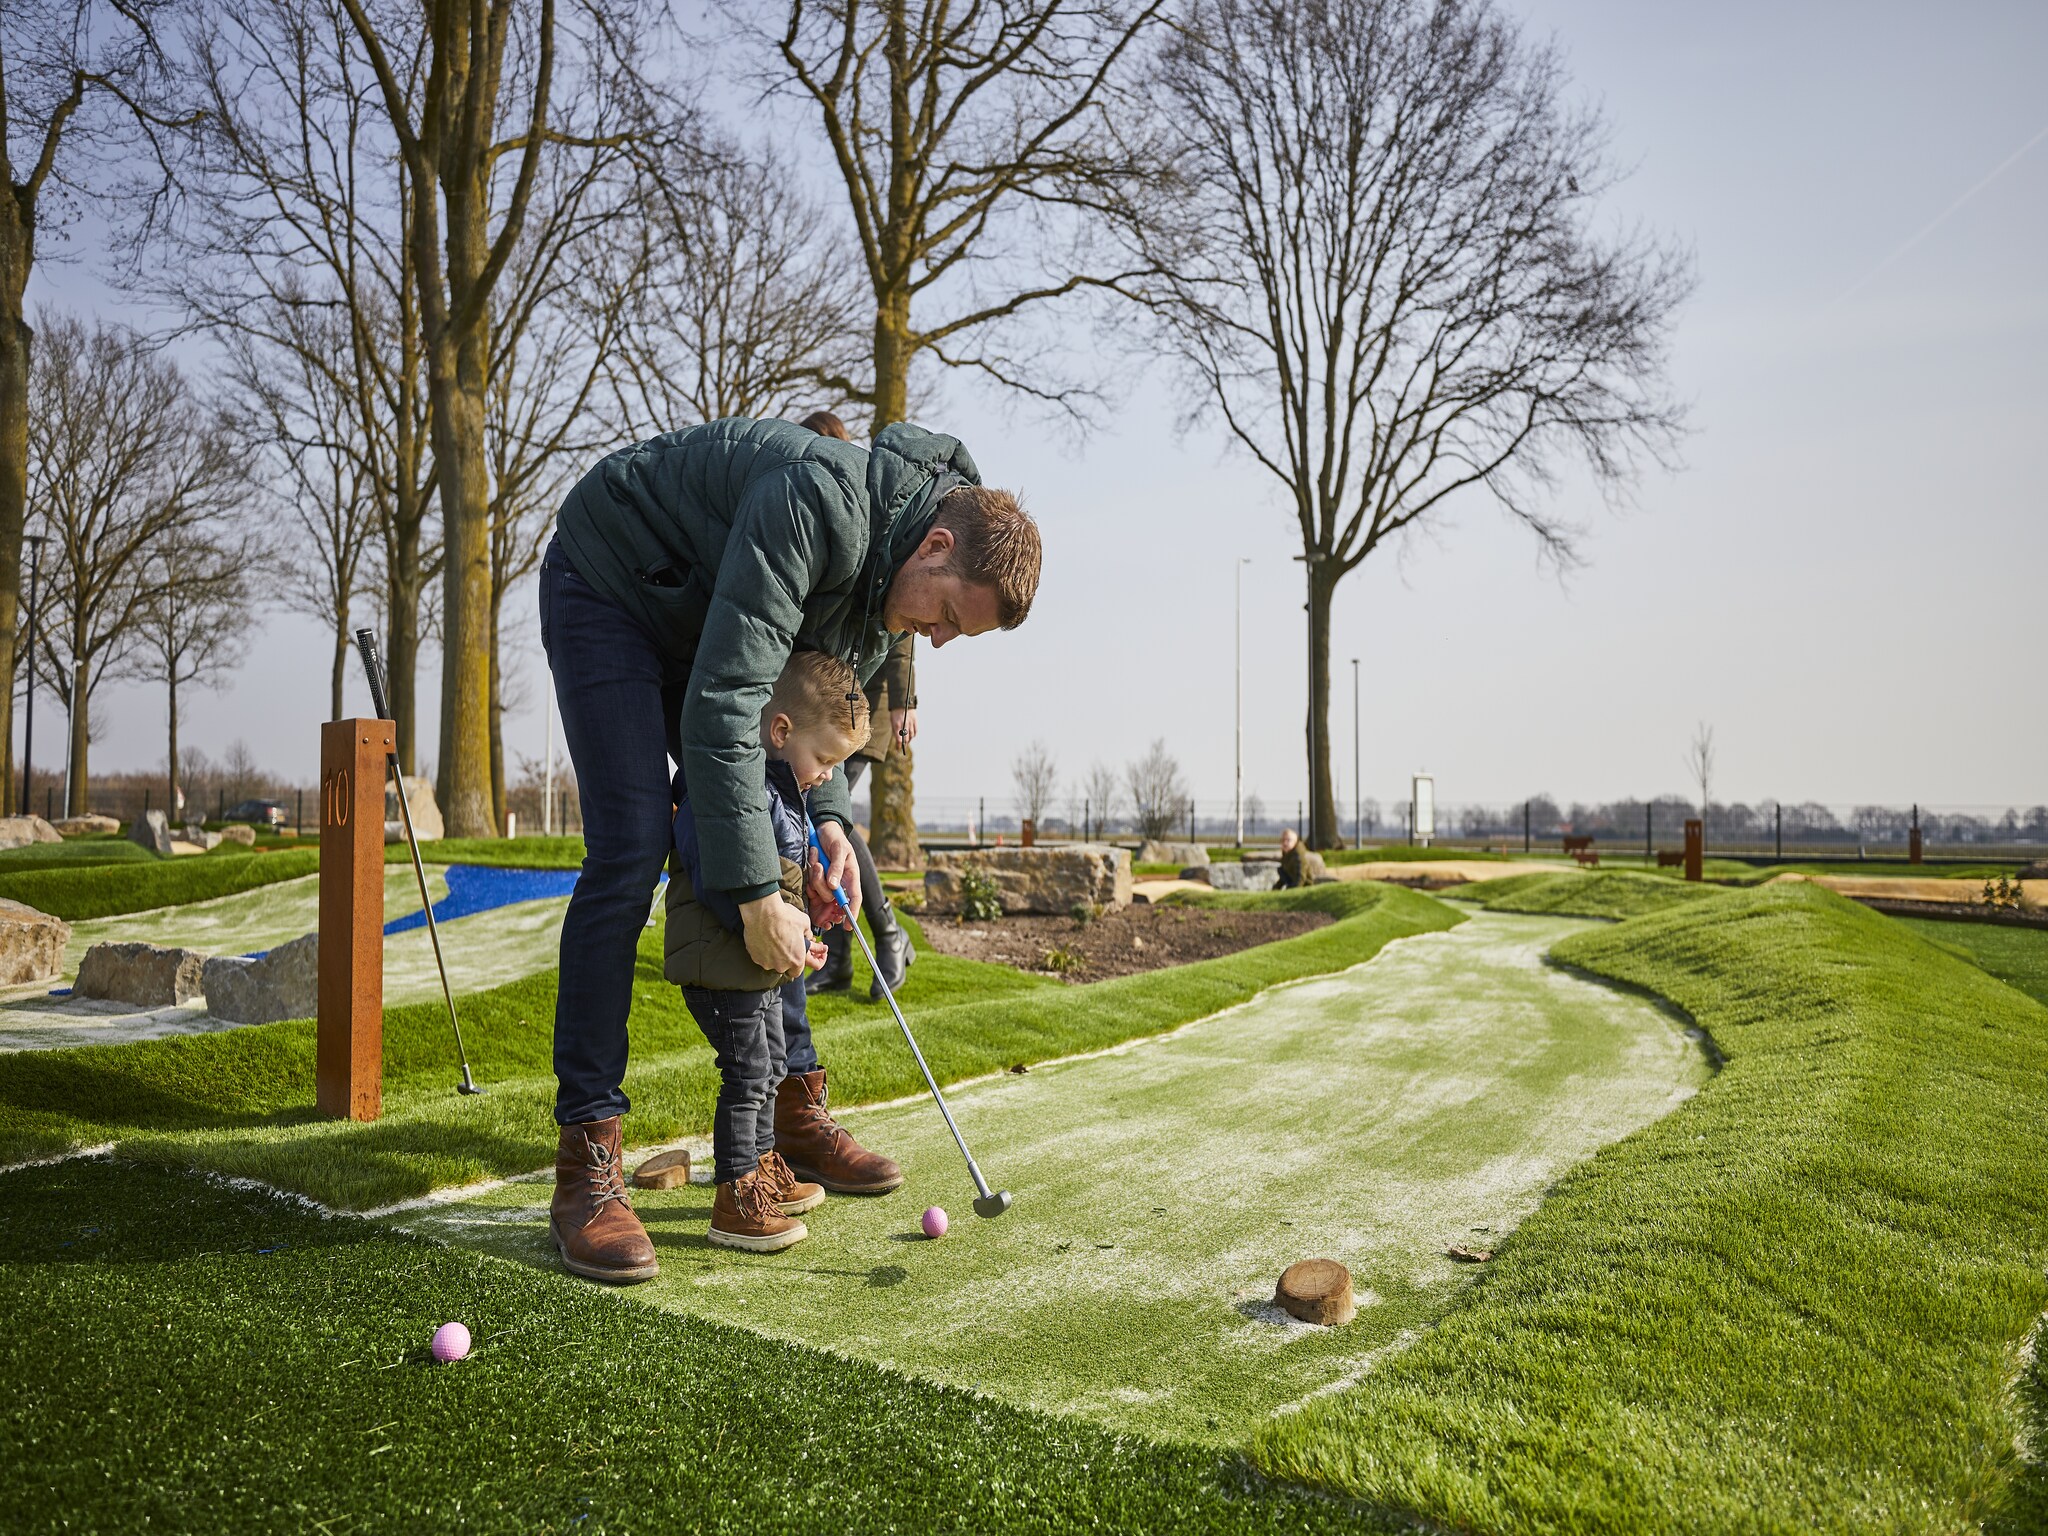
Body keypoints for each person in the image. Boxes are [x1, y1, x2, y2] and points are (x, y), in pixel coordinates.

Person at [540, 415, 1040, 1284]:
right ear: (935, 545)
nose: (942, 641)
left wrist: (830, 831)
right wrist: (750, 897)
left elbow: (818, 707)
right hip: (614, 585)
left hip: (705, 623)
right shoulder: (814, 504)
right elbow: (726, 707)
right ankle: (587, 1162)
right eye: (952, 616)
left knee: (787, 843)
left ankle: (789, 1119)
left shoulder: (895, 586)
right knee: (630, 847)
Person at [665, 651, 869, 1254]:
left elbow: (774, 884)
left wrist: (806, 900)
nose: (830, 777)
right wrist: (780, 927)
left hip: (752, 967)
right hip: (719, 962)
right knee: (749, 1074)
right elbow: (719, 879)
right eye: (826, 759)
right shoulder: (728, 789)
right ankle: (736, 1192)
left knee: (773, 1065)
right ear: (781, 731)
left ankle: (761, 1165)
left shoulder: (780, 794)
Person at [797, 409, 918, 1004]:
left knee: (837, 823)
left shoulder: (872, 513)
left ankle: (891, 934)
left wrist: (904, 702)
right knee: (824, 825)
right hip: (819, 695)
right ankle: (841, 958)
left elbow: (900, 623)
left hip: (857, 706)